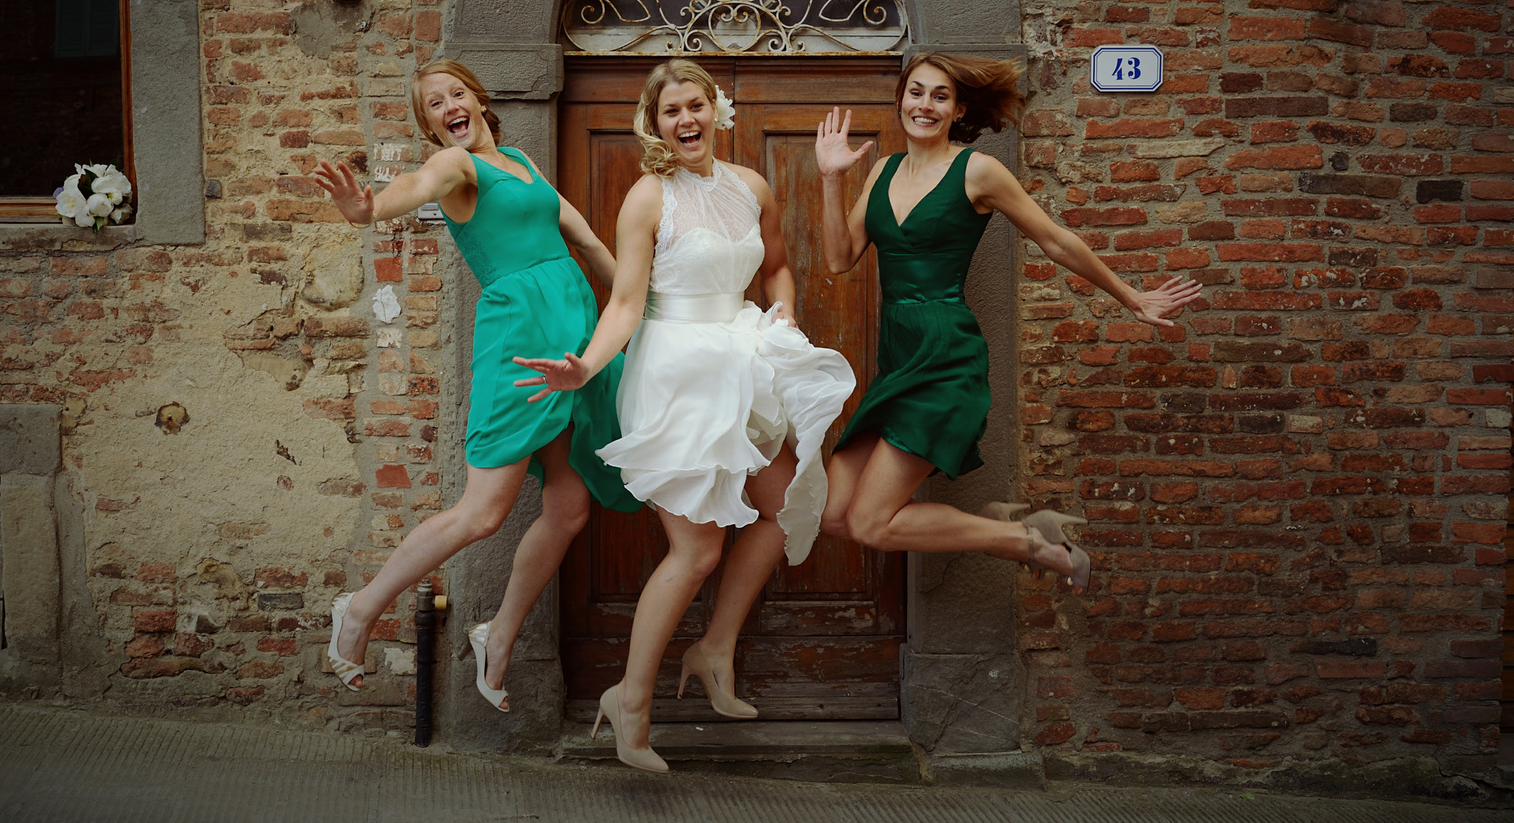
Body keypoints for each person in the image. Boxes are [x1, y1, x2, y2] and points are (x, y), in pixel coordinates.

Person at [514, 59, 854, 773]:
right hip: (677, 375)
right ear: (655, 122)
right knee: (697, 550)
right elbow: (628, 303)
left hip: (743, 360)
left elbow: (780, 265)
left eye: (695, 105)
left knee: (788, 509)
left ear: (715, 110)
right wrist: (586, 366)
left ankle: (713, 648)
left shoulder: (752, 185)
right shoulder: (646, 198)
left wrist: (784, 309)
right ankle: (630, 702)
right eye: (671, 111)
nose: (686, 120)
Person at [312, 59, 641, 712]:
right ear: (431, 124)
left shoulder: (518, 158)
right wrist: (371, 208)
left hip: (574, 337)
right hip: (522, 343)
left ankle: (500, 632)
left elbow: (584, 240)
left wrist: (639, 307)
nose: (447, 106)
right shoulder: (458, 169)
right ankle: (360, 608)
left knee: (570, 509)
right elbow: (419, 180)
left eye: (455, 93)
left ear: (478, 97)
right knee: (484, 512)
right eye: (434, 105)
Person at [813, 53, 1203, 592]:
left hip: (945, 357)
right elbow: (838, 259)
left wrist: (1131, 297)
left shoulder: (976, 170)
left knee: (869, 522)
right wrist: (832, 179)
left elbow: (1056, 240)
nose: (924, 105)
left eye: (939, 96)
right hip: (899, 359)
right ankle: (1020, 531)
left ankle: (1028, 543)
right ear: (901, 98)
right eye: (916, 92)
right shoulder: (882, 170)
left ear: (958, 109)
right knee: (832, 514)